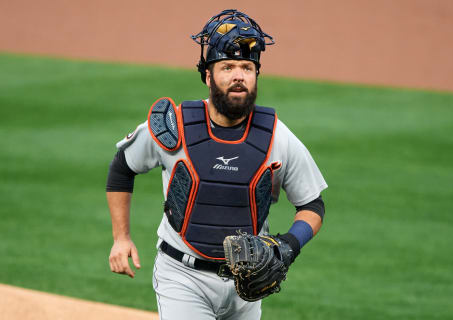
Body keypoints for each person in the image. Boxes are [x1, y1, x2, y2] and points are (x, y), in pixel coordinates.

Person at [106, 9, 327, 320]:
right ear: (208, 76)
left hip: (247, 287)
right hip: (182, 278)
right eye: (228, 67)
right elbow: (122, 166)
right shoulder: (175, 126)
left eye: (247, 68)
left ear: (256, 75)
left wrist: (289, 245)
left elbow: (312, 205)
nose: (238, 75)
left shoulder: (277, 135)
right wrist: (121, 237)